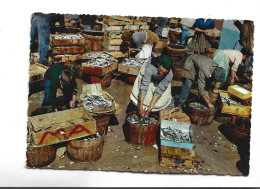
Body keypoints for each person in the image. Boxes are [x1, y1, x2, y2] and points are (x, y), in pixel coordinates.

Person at [127, 55, 173, 119]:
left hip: (160, 80)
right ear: (159, 64)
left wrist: (151, 107)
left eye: (166, 70)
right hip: (149, 75)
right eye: (163, 69)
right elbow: (144, 85)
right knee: (142, 94)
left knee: (163, 98)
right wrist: (141, 105)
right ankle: (136, 107)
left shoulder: (169, 75)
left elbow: (159, 90)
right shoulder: (150, 68)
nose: (164, 72)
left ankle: (160, 120)